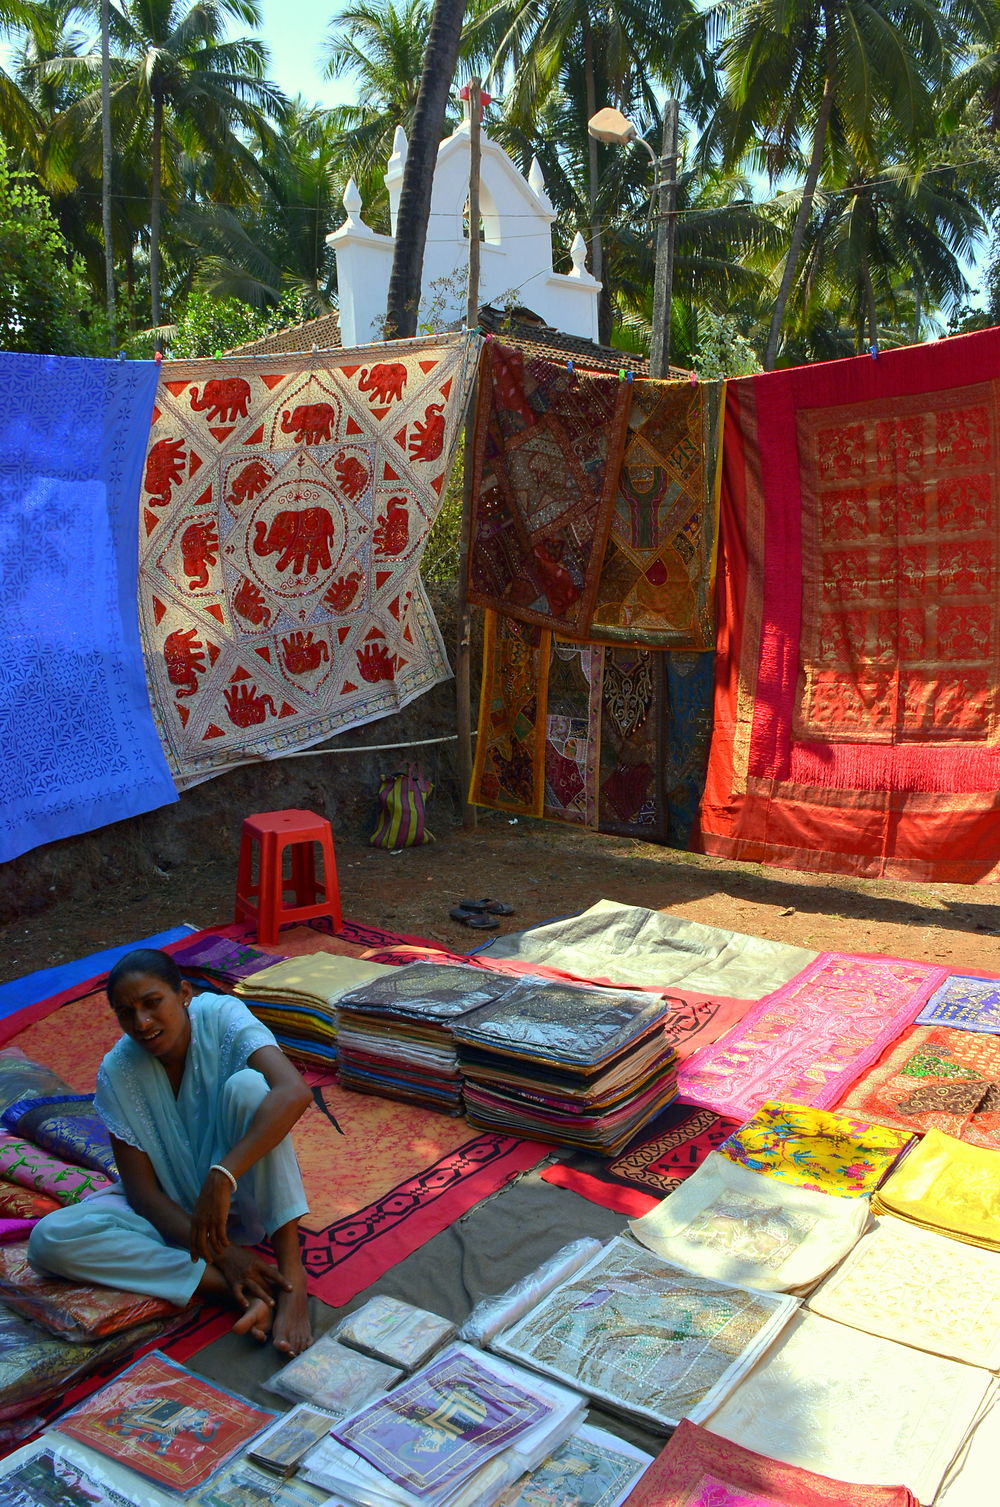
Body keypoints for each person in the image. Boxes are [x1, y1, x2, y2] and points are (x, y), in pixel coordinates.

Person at [28, 948, 313, 1355]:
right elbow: (143, 1195)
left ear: (182, 993)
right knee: (50, 1239)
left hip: (244, 1190)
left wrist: (222, 1175)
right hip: (179, 1219)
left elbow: (294, 1091)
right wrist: (227, 1257)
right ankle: (239, 1287)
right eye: (126, 1013)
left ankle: (291, 1275)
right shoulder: (118, 1070)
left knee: (252, 1090)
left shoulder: (222, 1015)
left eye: (152, 1003)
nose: (141, 1023)